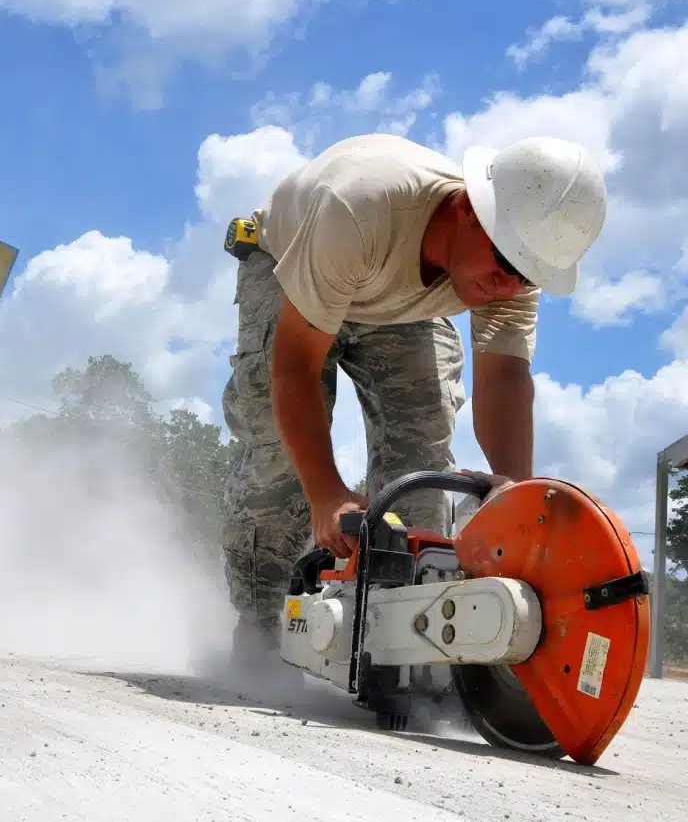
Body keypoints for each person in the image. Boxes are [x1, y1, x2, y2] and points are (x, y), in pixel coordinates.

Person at [218, 132, 607, 670]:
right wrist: (328, 494)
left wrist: (514, 496)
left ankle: (397, 649)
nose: (508, 285)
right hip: (294, 263)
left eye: (526, 275)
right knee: (282, 459)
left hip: (397, 299)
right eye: (504, 264)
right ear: (470, 208)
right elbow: (295, 367)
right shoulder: (358, 209)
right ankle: (261, 636)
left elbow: (504, 381)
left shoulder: (513, 263)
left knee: (421, 465)